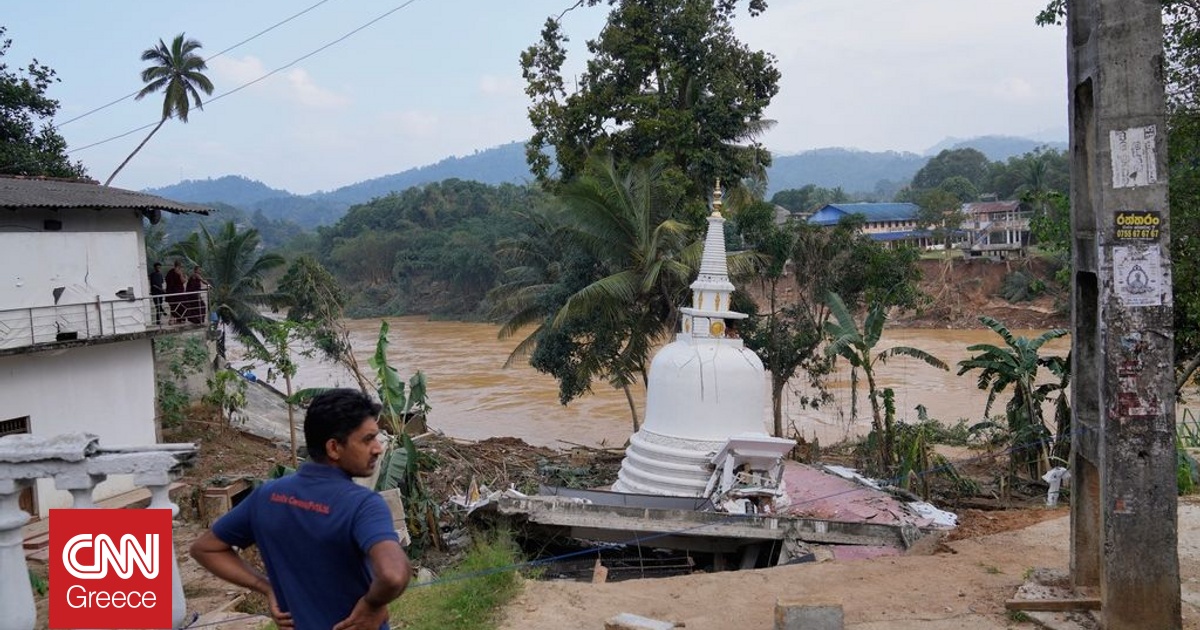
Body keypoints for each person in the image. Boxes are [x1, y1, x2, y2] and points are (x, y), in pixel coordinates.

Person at [190, 389, 411, 630]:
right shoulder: (363, 505)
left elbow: (206, 548)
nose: (378, 448)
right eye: (368, 439)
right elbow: (393, 575)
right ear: (334, 448)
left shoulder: (267, 495)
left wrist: (266, 587)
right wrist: (372, 604)